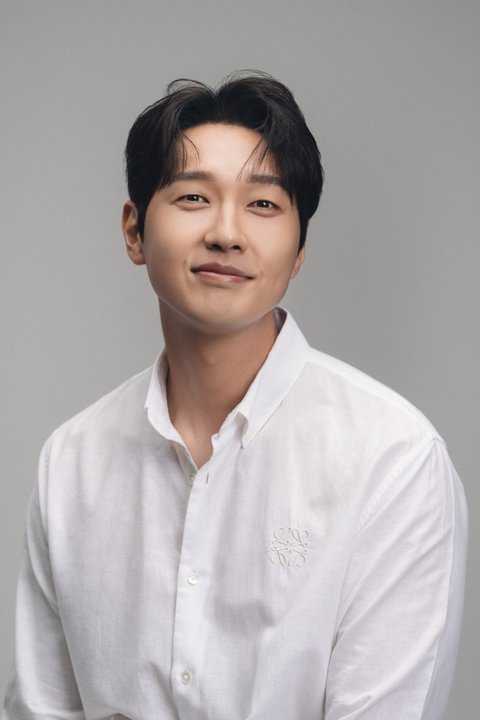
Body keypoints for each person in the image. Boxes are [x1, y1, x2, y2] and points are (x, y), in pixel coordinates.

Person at [2, 72, 468, 720]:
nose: (226, 232)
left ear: (299, 250)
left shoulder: (391, 458)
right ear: (134, 231)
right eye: (193, 197)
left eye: (264, 204)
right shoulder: (72, 462)